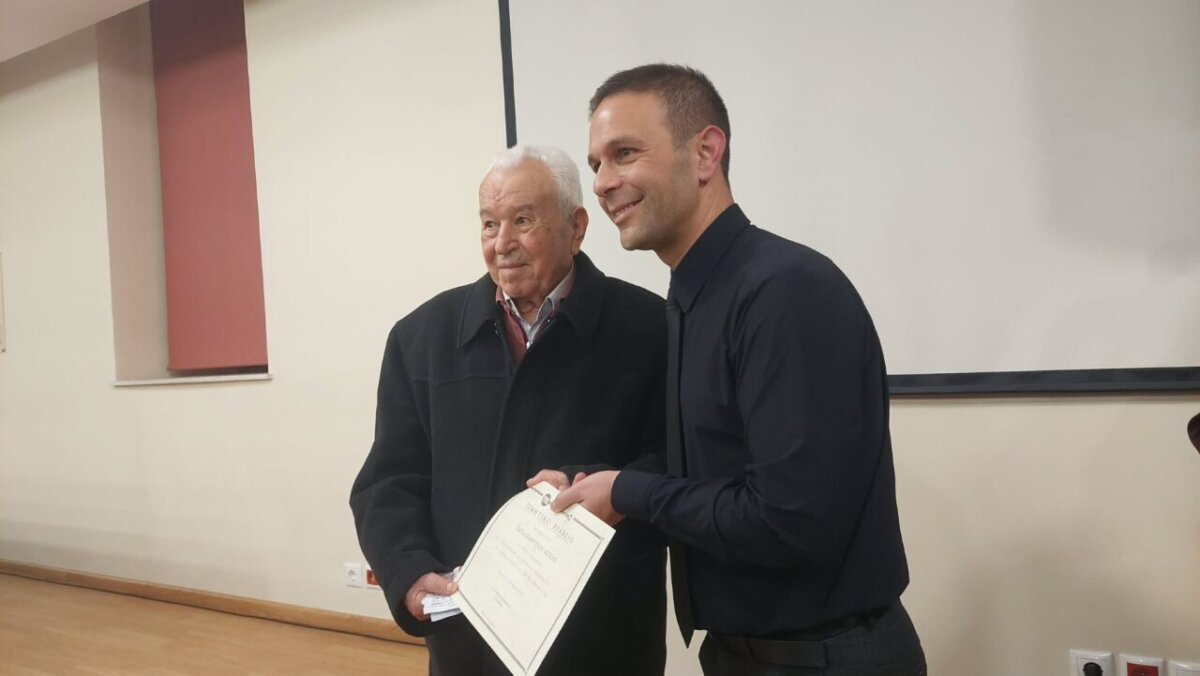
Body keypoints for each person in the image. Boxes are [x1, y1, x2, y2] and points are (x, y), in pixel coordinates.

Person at [547, 64, 927, 675]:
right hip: (744, 653)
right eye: (595, 164)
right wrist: (596, 485)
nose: (602, 183)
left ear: (705, 153)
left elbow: (788, 520)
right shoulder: (693, 296)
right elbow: (709, 471)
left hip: (822, 657)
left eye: (624, 154)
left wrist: (629, 491)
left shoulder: (785, 292)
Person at [351, 145, 668, 675]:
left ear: (576, 227)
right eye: (489, 224)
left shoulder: (650, 328)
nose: (502, 244)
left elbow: (679, 467)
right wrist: (409, 571)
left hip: (603, 641)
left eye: (523, 221)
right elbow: (387, 482)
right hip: (466, 645)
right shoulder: (420, 339)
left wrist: (607, 488)